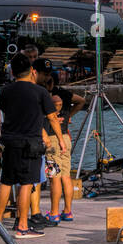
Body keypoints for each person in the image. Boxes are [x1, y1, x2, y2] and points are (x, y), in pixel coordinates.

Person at [0, 55, 63, 237]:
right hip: (29, 143)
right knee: (26, 184)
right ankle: (22, 226)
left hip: (9, 141)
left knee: (6, 181)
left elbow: (5, 111)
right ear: (32, 71)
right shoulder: (40, 92)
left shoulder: (6, 91)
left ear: (12, 72)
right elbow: (52, 118)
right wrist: (61, 140)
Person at [42, 93, 76, 223]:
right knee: (66, 176)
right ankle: (67, 211)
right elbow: (80, 100)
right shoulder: (65, 107)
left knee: (55, 177)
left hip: (53, 140)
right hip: (66, 139)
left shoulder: (49, 108)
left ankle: (54, 212)